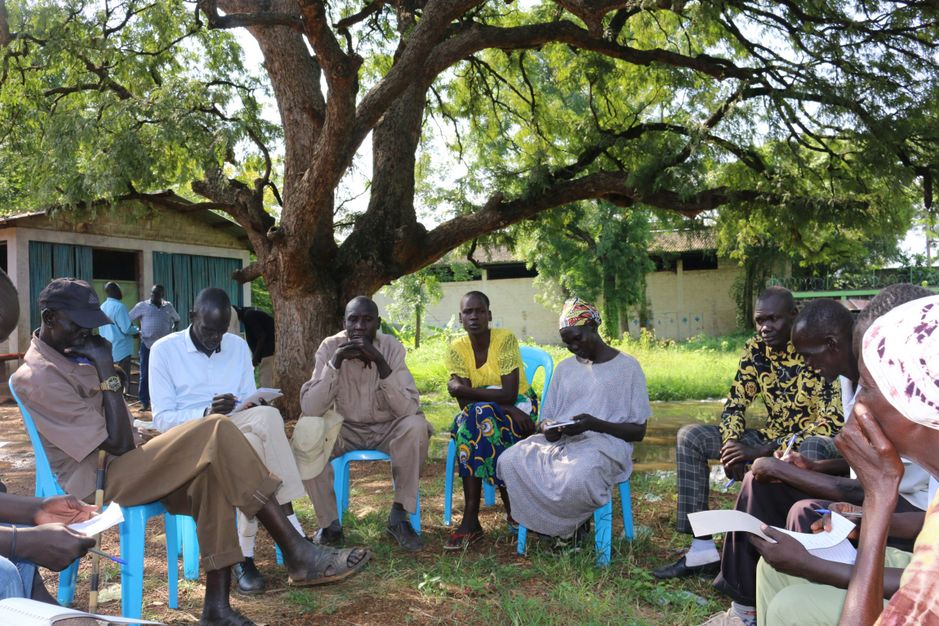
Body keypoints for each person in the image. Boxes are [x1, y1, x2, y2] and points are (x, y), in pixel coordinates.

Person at [13, 278, 370, 625]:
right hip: (99, 478)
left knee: (210, 474)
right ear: (49, 319)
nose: (90, 334)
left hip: (129, 460)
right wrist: (107, 371)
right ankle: (295, 548)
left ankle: (216, 607)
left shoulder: (74, 353)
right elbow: (117, 444)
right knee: (215, 427)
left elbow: (122, 430)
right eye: (81, 325)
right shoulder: (38, 376)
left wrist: (106, 376)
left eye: (93, 326)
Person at [706, 293, 932, 625]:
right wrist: (819, 471)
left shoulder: (911, 413)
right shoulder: (848, 381)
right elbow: (872, 472)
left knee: (801, 508)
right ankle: (744, 606)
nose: (859, 405)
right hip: (887, 502)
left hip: (900, 507)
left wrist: (866, 513)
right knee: (775, 491)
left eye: (870, 387)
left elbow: (876, 485)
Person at [654, 286, 844, 580]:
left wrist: (762, 451)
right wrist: (731, 443)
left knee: (814, 447)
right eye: (759, 320)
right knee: (691, 436)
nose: (765, 327)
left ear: (793, 316)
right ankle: (701, 550)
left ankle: (805, 553)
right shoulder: (757, 349)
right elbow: (735, 404)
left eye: (774, 319)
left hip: (810, 443)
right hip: (769, 437)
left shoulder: (815, 346)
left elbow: (830, 422)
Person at [149, 288, 311, 595]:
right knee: (249, 443)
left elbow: (247, 399)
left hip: (234, 427)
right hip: (191, 437)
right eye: (209, 331)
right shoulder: (163, 350)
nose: (216, 340)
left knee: (267, 419)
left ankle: (246, 554)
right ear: (192, 317)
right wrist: (206, 412)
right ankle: (289, 540)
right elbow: (161, 419)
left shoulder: (236, 346)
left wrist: (247, 403)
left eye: (222, 332)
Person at [497, 298, 650, 539]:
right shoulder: (565, 368)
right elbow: (545, 418)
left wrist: (593, 424)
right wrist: (549, 428)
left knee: (578, 475)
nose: (574, 347)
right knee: (510, 460)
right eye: (568, 343)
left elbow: (638, 431)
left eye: (577, 338)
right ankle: (550, 526)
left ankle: (572, 528)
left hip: (606, 445)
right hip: (562, 443)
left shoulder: (627, 368)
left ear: (592, 326)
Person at [301, 296, 431, 552]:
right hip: (343, 429)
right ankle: (330, 526)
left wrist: (381, 363)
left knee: (416, 426)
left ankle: (399, 515)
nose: (359, 326)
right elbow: (311, 408)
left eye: (367, 320)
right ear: (344, 323)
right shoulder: (330, 347)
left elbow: (407, 408)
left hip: (387, 428)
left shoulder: (391, 347)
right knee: (307, 431)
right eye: (353, 320)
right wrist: (335, 363)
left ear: (377, 323)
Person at [0, 268, 98, 605]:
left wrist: (38, 508)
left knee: (20, 566)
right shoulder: (39, 376)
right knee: (5, 572)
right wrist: (19, 543)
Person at [443, 291, 537, 550]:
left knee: (472, 423)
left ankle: (471, 519)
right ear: (460, 318)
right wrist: (496, 403)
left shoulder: (504, 339)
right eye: (468, 312)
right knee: (476, 419)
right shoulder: (456, 349)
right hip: (488, 412)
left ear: (489, 315)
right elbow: (465, 405)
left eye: (480, 311)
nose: (474, 316)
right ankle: (510, 509)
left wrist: (464, 389)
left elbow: (509, 392)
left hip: (520, 407)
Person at [128, 285, 179, 412]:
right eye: (152, 294)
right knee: (145, 373)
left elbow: (177, 319)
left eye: (157, 294)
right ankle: (145, 402)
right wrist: (135, 331)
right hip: (147, 345)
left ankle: (165, 400)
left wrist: (173, 330)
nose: (154, 296)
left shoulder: (168, 306)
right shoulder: (142, 306)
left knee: (166, 373)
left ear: (162, 295)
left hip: (164, 347)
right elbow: (128, 319)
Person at [97, 282, 139, 382]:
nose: (121, 292)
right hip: (121, 351)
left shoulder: (102, 307)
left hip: (108, 350)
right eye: (119, 290)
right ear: (115, 291)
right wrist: (136, 330)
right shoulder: (120, 307)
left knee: (111, 380)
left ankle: (113, 397)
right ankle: (123, 397)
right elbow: (126, 329)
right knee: (123, 379)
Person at [233, 306, 276, 388]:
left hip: (268, 353)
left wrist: (255, 357)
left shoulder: (249, 315)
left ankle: (268, 401)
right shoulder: (249, 315)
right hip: (267, 352)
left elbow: (262, 336)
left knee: (266, 384)